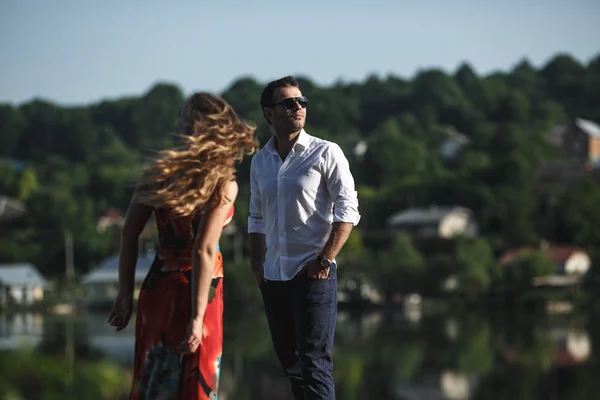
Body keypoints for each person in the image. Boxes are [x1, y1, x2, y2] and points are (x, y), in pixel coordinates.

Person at [107, 92, 258, 400]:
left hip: (158, 287)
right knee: (196, 385)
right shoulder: (223, 184)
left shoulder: (158, 174)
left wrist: (125, 293)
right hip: (200, 291)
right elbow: (203, 249)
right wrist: (197, 317)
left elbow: (129, 233)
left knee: (153, 383)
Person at [248, 76, 361, 399]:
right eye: (288, 103)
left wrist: (325, 259)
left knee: (314, 363)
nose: (298, 107)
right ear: (269, 113)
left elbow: (348, 210)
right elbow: (256, 216)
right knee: (291, 365)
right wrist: (257, 262)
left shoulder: (326, 152)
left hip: (313, 274)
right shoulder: (259, 161)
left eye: (301, 101)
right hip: (273, 276)